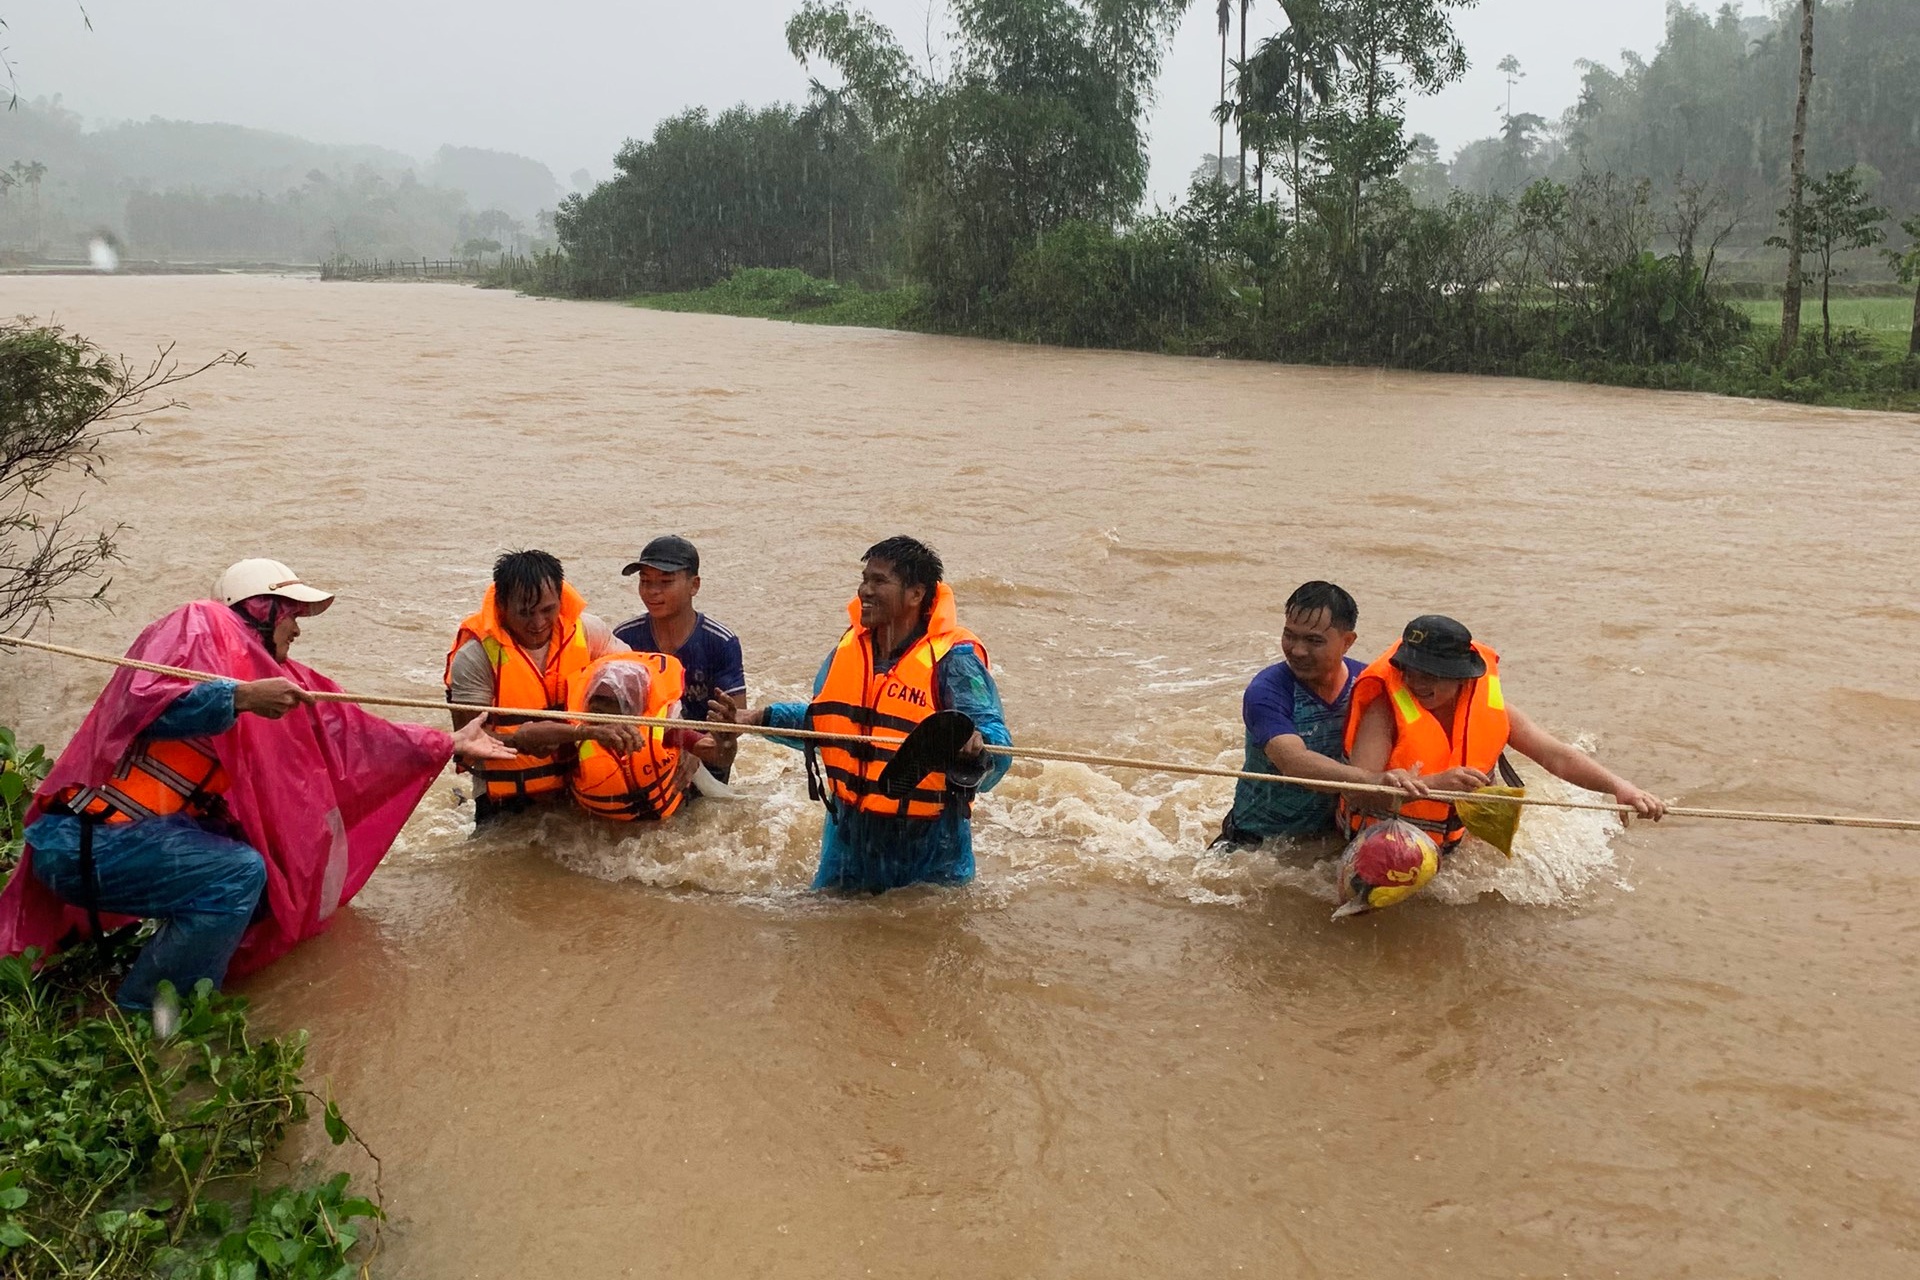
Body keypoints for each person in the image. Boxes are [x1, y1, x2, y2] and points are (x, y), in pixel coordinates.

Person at [0, 558, 512, 1017]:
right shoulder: (199, 625)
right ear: (260, 608)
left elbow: (352, 735)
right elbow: (146, 701)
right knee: (240, 873)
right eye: (290, 614)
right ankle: (149, 1009)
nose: (296, 629)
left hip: (127, 841)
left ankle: (176, 968)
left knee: (276, 873)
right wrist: (238, 698)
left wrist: (448, 744)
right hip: (85, 842)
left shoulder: (272, 677)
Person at [722, 537, 1012, 892]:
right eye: (864, 579)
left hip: (931, 852)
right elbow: (827, 723)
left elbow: (997, 745)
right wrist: (753, 719)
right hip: (848, 847)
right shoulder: (847, 650)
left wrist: (978, 747)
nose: (864, 591)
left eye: (879, 581)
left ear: (916, 594)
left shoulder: (956, 660)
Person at [1339, 615, 1666, 851]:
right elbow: (1355, 789)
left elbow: (1556, 756)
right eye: (1411, 672)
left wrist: (1620, 787)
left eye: (1433, 675)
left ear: (1462, 678)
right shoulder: (1384, 711)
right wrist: (1434, 786)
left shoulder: (1493, 711)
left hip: (1453, 840)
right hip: (1384, 841)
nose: (1418, 684)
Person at [1213, 581, 1427, 848]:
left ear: (1347, 642)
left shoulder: (1369, 685)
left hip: (1332, 841)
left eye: (1314, 640)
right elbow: (1294, 762)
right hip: (1257, 845)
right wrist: (1373, 782)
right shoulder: (1267, 690)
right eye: (1290, 635)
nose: (1297, 650)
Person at [445, 550, 636, 824]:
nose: (537, 624)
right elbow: (468, 744)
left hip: (580, 785)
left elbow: (638, 685)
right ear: (501, 606)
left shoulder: (590, 632)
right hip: (505, 800)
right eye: (524, 612)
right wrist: (520, 740)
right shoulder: (475, 657)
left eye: (548, 610)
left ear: (560, 599)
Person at [611, 535, 746, 782]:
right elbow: (610, 709)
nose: (652, 591)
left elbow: (735, 720)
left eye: (665, 581)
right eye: (645, 581)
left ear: (694, 585)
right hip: (646, 753)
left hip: (706, 757)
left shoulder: (720, 642)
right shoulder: (624, 638)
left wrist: (697, 747)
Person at [565, 650, 718, 822]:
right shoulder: (575, 736)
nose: (597, 707)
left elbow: (713, 750)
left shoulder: (665, 730)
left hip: (667, 823)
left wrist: (720, 742)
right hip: (602, 826)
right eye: (595, 699)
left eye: (611, 702)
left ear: (634, 709)